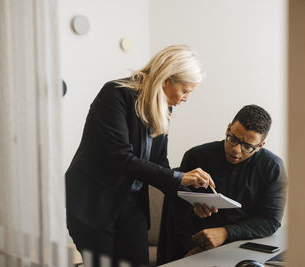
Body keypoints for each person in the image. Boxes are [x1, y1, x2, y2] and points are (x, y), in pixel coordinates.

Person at [65, 45, 215, 266]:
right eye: (185, 91)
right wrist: (180, 177)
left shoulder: (165, 107)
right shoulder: (115, 94)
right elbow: (121, 158)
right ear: (166, 79)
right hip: (93, 204)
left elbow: (159, 164)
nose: (185, 99)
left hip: (131, 204)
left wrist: (191, 197)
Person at [157, 105, 287, 265]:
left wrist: (225, 233)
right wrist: (194, 243)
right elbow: (177, 209)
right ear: (228, 128)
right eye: (233, 139)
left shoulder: (272, 167)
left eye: (247, 147)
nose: (236, 150)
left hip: (243, 248)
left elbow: (270, 221)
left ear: (260, 146)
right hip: (192, 245)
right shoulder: (196, 156)